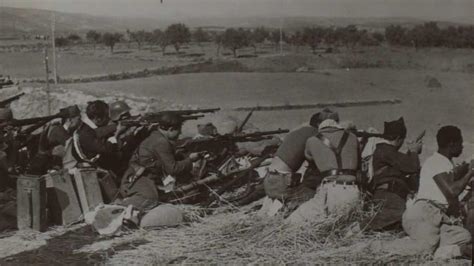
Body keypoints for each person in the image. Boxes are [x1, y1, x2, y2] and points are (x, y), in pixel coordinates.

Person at [402, 126, 472, 259]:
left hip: (436, 216)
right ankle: (378, 246)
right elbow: (452, 191)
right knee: (424, 250)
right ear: (452, 143)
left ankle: (435, 248)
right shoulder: (435, 161)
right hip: (424, 213)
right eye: (460, 143)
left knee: (463, 236)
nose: (462, 147)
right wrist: (470, 173)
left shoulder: (446, 163)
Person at [120, 112, 204, 210]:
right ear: (171, 129)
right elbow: (173, 169)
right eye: (179, 130)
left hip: (140, 178)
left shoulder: (156, 136)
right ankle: (119, 207)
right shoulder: (161, 142)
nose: (180, 133)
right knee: (150, 199)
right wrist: (190, 159)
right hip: (136, 181)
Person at [286, 115, 360, 225]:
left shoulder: (312, 140)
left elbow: (310, 158)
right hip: (354, 192)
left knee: (291, 222)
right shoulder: (353, 137)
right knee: (341, 226)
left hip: (332, 191)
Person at [262, 108, 339, 207]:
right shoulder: (314, 134)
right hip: (281, 183)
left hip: (269, 179)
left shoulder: (299, 132)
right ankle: (287, 207)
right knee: (313, 196)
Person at [367, 117, 422, 231]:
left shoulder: (386, 151)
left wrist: (411, 153)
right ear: (398, 138)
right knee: (399, 216)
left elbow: (404, 165)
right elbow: (412, 167)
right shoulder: (385, 150)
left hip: (391, 195)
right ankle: (358, 228)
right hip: (389, 195)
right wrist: (414, 152)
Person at [64, 100, 123, 169]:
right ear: (97, 119)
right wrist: (118, 132)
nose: (108, 119)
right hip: (98, 167)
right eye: (106, 117)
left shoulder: (85, 129)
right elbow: (107, 149)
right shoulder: (85, 133)